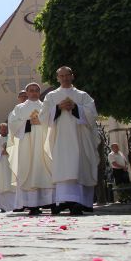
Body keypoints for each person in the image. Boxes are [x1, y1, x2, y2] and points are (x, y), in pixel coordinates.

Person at [41, 66, 99, 215]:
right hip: (60, 138)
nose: (65, 78)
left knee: (79, 166)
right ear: (57, 78)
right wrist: (58, 108)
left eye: (67, 75)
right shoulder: (51, 96)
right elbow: (44, 117)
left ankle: (80, 202)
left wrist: (75, 108)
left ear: (72, 76)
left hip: (79, 137)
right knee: (64, 166)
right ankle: (66, 200)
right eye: (62, 76)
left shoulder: (82, 95)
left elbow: (92, 115)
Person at [9, 82, 55, 215]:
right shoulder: (19, 108)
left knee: (47, 171)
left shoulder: (46, 107)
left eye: (36, 90)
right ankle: (32, 205)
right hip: (27, 144)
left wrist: (42, 122)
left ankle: (51, 202)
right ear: (27, 93)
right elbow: (12, 124)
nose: (34, 92)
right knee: (29, 172)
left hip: (44, 143)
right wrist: (28, 123)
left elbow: (53, 122)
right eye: (31, 90)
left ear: (39, 92)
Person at [0, 123, 16, 212]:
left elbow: (17, 150)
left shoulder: (12, 138)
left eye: (6, 129)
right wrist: (1, 153)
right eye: (3, 129)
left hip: (11, 165)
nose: (4, 131)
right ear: (0, 130)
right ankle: (3, 206)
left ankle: (14, 206)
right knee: (2, 185)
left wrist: (9, 152)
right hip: (0, 166)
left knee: (12, 184)